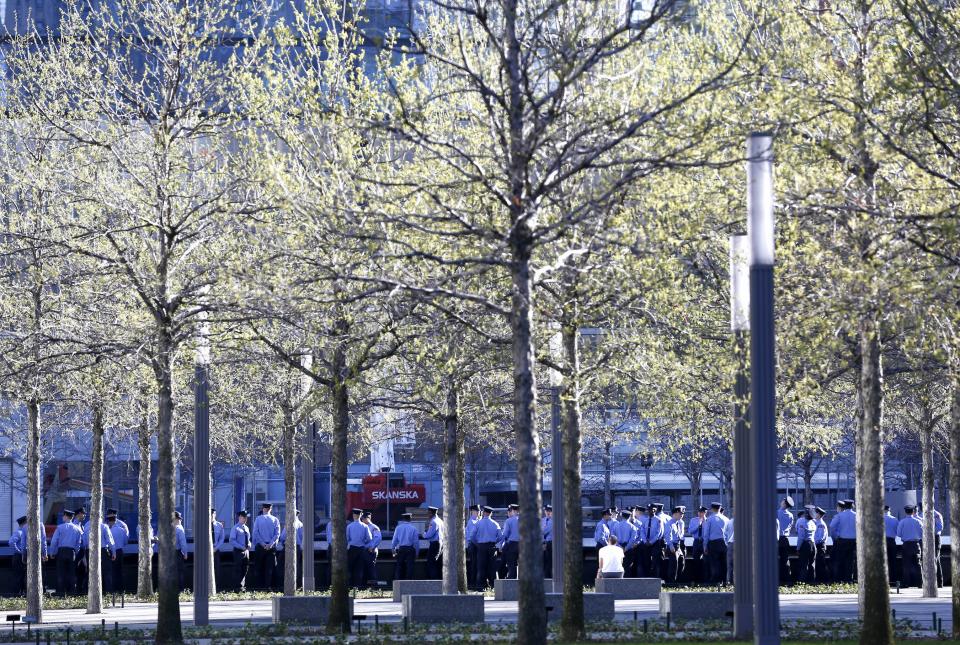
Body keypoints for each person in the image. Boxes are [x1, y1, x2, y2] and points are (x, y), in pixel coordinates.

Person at [50, 509, 83, 596]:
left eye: (63, 516)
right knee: (72, 573)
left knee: (61, 573)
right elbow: (78, 544)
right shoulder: (77, 529)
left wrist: (52, 552)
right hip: (72, 552)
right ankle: (72, 592)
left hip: (61, 551)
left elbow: (54, 541)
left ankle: (60, 593)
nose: (62, 517)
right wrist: (75, 552)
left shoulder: (60, 527)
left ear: (65, 516)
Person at [84, 512, 116, 594]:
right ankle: (108, 592)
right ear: (101, 517)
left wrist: (85, 554)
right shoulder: (104, 526)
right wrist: (113, 552)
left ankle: (91, 593)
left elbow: (84, 542)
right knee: (107, 572)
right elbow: (110, 540)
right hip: (103, 550)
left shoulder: (87, 528)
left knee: (91, 573)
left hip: (90, 551)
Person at [251, 503, 281, 591]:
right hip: (271, 547)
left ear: (263, 509)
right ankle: (268, 587)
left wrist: (262, 543)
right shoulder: (275, 519)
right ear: (270, 509)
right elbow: (277, 534)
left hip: (260, 547)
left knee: (258, 567)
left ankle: (259, 587)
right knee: (270, 568)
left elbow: (255, 533)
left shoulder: (258, 519)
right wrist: (271, 544)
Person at [472, 506, 501, 589]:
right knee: (492, 567)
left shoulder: (478, 523)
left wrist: (478, 544)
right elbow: (500, 536)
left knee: (481, 567)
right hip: (492, 547)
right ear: (490, 513)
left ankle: (480, 586)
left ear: (484, 513)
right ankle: (493, 586)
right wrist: (494, 542)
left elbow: (472, 537)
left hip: (481, 546)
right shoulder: (495, 524)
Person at [830, 500, 857, 582]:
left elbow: (832, 526)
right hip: (853, 541)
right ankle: (849, 579)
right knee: (851, 561)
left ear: (844, 506)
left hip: (842, 540)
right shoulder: (857, 515)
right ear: (852, 506)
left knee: (840, 560)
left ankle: (838, 579)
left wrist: (835, 537)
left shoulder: (840, 515)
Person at [897, 505, 923, 588]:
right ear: (913, 512)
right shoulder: (918, 521)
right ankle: (921, 583)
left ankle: (906, 583)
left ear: (905, 512)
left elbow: (898, 534)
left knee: (906, 565)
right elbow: (922, 534)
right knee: (918, 564)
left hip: (906, 545)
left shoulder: (902, 522)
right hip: (916, 544)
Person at [702, 502, 728, 585]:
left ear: (712, 509)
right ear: (720, 509)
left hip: (713, 543)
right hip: (724, 543)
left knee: (714, 563)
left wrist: (705, 546)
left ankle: (715, 581)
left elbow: (706, 534)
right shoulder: (726, 519)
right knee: (724, 563)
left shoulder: (709, 519)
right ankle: (725, 581)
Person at [278, 510, 304, 590]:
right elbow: (302, 536)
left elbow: (283, 536)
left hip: (289, 546)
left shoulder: (289, 524)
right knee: (297, 566)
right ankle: (298, 585)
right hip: (298, 547)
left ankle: (284, 584)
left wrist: (282, 542)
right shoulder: (301, 524)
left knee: (281, 563)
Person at [346, 508, 372, 588]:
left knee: (349, 567)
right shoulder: (365, 526)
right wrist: (363, 542)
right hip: (361, 549)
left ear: (354, 515)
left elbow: (347, 538)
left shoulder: (349, 526)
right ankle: (358, 587)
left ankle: (349, 586)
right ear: (361, 515)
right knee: (359, 568)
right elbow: (369, 539)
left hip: (352, 549)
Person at [391, 513, 420, 581]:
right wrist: (417, 552)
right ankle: (408, 581)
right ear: (410, 518)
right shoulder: (414, 528)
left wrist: (393, 548)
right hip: (410, 549)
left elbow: (395, 539)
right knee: (410, 566)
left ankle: (397, 580)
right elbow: (416, 542)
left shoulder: (398, 528)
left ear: (403, 519)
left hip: (401, 548)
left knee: (399, 565)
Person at [230, 510, 251, 591]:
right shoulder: (235, 528)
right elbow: (232, 540)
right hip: (238, 551)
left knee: (245, 568)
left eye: (246, 518)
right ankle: (237, 587)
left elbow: (248, 539)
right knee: (238, 569)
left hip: (246, 551)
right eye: (243, 517)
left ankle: (242, 586)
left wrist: (249, 544)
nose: (245, 519)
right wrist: (240, 547)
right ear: (239, 517)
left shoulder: (246, 528)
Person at [612, 511, 637, 578]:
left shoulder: (616, 525)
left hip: (618, 547)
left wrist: (619, 546)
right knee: (628, 566)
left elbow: (613, 537)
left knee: (618, 566)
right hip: (628, 549)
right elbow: (632, 540)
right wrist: (626, 548)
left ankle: (619, 581)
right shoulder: (633, 527)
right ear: (629, 517)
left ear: (622, 516)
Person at [421, 506, 445, 580]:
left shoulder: (433, 522)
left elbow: (429, 535)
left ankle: (434, 581)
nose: (427, 514)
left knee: (431, 563)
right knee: (438, 563)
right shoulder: (441, 521)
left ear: (431, 513)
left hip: (435, 544)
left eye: (428, 513)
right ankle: (440, 581)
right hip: (441, 544)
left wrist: (423, 534)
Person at [498, 504, 521, 579]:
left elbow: (504, 534)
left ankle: (512, 582)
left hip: (512, 544)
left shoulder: (509, 521)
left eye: (510, 511)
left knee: (512, 565)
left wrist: (500, 545)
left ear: (514, 511)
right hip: (523, 545)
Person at [664, 507, 685, 583]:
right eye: (680, 514)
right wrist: (671, 546)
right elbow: (667, 536)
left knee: (681, 562)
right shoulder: (669, 523)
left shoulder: (679, 523)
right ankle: (671, 582)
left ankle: (678, 580)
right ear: (675, 514)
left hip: (678, 546)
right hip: (673, 545)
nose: (682, 515)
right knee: (673, 565)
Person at [795, 509, 816, 584]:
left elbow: (801, 537)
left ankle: (802, 582)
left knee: (803, 564)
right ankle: (812, 581)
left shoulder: (801, 522)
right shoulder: (813, 522)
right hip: (813, 544)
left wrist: (798, 548)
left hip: (805, 544)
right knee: (812, 564)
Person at [687, 506, 707, 583]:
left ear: (705, 513)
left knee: (706, 561)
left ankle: (705, 579)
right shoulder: (693, 520)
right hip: (696, 541)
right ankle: (696, 579)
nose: (699, 514)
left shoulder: (708, 521)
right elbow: (690, 531)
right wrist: (698, 525)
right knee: (696, 560)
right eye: (699, 512)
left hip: (704, 542)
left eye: (701, 512)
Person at [777, 496, 795, 585]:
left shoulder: (776, 513)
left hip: (777, 539)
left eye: (782, 501)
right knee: (785, 560)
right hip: (786, 539)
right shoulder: (791, 515)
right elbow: (791, 527)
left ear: (784, 503)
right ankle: (788, 580)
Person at [362, 511, 382, 584]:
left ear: (368, 518)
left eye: (363, 519)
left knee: (371, 568)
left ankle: (373, 586)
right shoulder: (362, 526)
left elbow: (378, 538)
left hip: (370, 550)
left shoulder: (374, 527)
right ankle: (364, 586)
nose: (362, 520)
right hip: (364, 550)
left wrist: (372, 547)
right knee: (364, 568)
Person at [10, 516, 27, 595]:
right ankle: (17, 593)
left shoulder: (24, 532)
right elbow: (11, 542)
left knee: (23, 576)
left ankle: (22, 592)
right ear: (24, 523)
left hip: (23, 556)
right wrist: (19, 551)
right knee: (18, 576)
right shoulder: (19, 532)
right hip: (19, 557)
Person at [73, 508, 89, 594]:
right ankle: (76, 591)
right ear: (78, 514)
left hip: (83, 552)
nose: (85, 515)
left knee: (82, 573)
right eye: (83, 513)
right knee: (76, 573)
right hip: (77, 552)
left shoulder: (82, 526)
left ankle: (81, 591)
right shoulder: (74, 526)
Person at [812, 506, 829, 584]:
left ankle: (822, 581)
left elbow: (819, 538)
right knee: (818, 563)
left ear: (818, 514)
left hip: (819, 546)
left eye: (816, 513)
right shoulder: (816, 522)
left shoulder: (821, 524)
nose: (814, 514)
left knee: (820, 564)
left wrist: (813, 542)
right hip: (817, 545)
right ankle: (819, 580)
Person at [883, 505, 899, 585]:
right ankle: (893, 580)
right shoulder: (895, 519)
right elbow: (898, 532)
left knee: (883, 561)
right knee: (893, 561)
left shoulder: (879, 519)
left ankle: (883, 580)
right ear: (890, 510)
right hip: (892, 541)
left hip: (882, 542)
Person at [465, 505, 480, 587]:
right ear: (472, 512)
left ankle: (474, 582)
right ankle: (473, 583)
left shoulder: (477, 520)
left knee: (477, 565)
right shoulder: (471, 522)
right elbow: (471, 537)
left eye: (479, 511)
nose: (478, 512)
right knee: (474, 565)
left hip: (476, 545)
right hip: (473, 545)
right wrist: (478, 545)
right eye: (477, 511)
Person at [174, 511, 188, 590]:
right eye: (179, 519)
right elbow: (183, 543)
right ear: (175, 519)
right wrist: (185, 553)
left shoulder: (166, 527)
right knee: (180, 572)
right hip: (177, 553)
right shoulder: (179, 529)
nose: (180, 520)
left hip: (167, 553)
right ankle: (180, 589)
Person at [211, 508, 225, 586]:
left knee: (217, 569)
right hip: (206, 551)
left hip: (216, 550)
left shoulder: (219, 525)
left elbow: (221, 539)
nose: (212, 515)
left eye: (213, 514)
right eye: (210, 514)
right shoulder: (203, 525)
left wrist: (215, 548)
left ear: (215, 514)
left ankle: (217, 586)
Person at [542, 505, 553, 579]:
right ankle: (546, 579)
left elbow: (544, 531)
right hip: (543, 544)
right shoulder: (542, 520)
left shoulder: (554, 520)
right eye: (546, 511)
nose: (548, 512)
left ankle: (550, 578)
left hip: (551, 543)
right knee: (544, 562)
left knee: (550, 562)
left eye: (550, 511)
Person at [723, 515, 735, 586]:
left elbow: (724, 534)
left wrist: (727, 543)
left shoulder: (729, 522)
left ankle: (729, 582)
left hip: (731, 544)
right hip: (743, 544)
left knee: (730, 565)